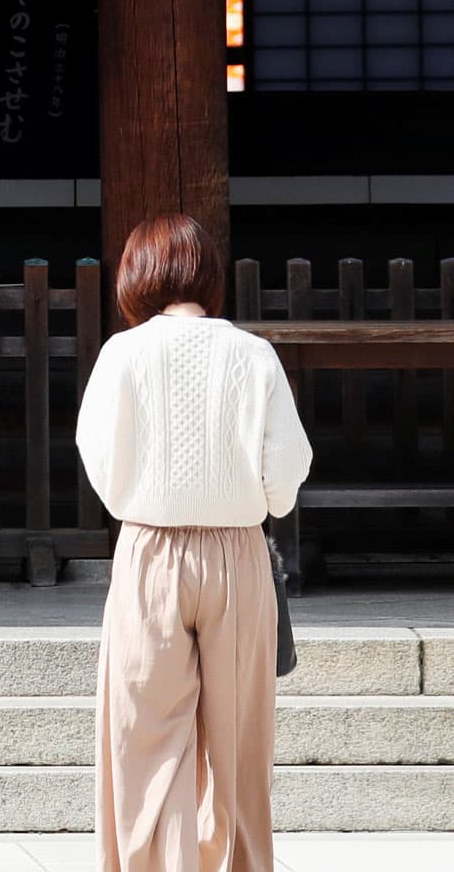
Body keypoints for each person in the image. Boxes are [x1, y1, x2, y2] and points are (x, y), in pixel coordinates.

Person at [78, 213, 311, 872]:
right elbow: (286, 466)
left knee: (145, 741)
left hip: (150, 552)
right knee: (237, 747)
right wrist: (260, 500)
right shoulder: (251, 352)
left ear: (137, 276)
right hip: (237, 553)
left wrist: (138, 496)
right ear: (207, 277)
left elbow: (97, 457)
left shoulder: (122, 353)